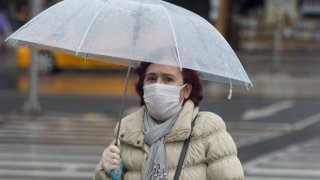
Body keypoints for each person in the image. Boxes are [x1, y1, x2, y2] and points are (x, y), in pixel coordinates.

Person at [94, 62, 244, 180]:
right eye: (151, 78)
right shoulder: (126, 129)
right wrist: (106, 171)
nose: (158, 85)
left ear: (186, 90)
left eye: (168, 79)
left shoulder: (208, 128)